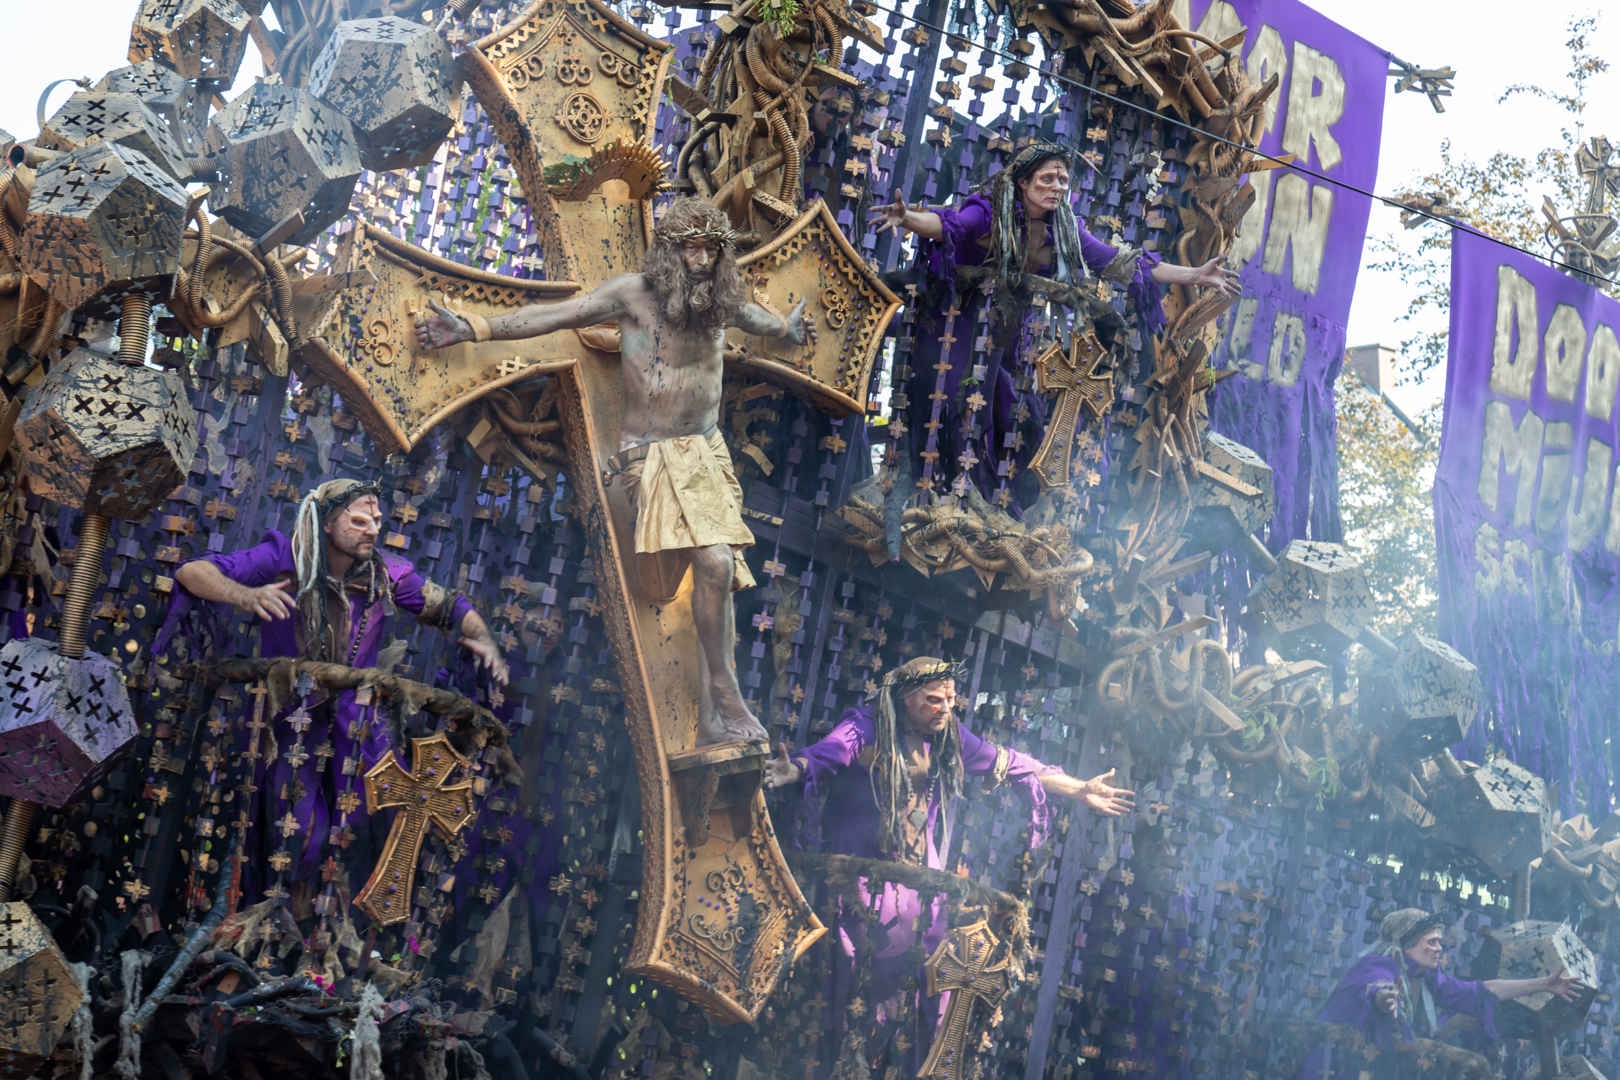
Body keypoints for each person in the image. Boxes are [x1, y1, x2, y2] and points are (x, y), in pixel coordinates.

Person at [415, 196, 816, 746]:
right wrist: (473, 327)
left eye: (711, 250)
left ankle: (713, 713)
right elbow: (556, 315)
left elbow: (758, 320)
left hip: (708, 450)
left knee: (719, 576)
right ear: (669, 251)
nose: (701, 261)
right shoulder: (633, 294)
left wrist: (788, 329)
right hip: (653, 452)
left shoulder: (720, 300)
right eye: (690, 249)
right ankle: (725, 691)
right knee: (714, 563)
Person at [762, 656, 1135, 1077]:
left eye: (951, 700)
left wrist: (1079, 789)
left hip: (919, 883)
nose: (945, 709)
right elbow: (828, 753)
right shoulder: (866, 726)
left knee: (925, 978)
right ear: (905, 698)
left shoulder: (947, 735)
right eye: (933, 700)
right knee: (857, 979)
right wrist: (793, 769)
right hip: (863, 879)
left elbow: (1009, 761)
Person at [171, 478, 508, 896]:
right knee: (296, 832)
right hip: (291, 721)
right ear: (327, 522)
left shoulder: (386, 573)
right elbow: (191, 571)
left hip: (358, 724)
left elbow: (452, 607)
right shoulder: (283, 556)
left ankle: (329, 925)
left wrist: (485, 641)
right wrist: (245, 595)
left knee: (361, 833)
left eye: (377, 520)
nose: (373, 530)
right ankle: (276, 918)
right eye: (360, 521)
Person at [867, 141, 1239, 510]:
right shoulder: (988, 211)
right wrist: (908, 218)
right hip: (953, 326)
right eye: (1047, 179)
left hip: (1005, 338)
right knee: (949, 405)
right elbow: (948, 226)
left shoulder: (1065, 229)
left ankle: (983, 506)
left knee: (1009, 414)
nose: (1057, 187)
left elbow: (1120, 263)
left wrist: (1196, 275)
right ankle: (931, 496)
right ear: (1023, 182)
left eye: (1062, 180)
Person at [1298, 908, 1584, 1079]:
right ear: (1407, 945)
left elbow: (1480, 991)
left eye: (1440, 942)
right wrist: (1385, 999)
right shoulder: (1380, 964)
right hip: (1329, 1065)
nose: (1439, 948)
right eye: (1431, 942)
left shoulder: (1427, 977)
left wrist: (1542, 984)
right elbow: (1377, 986)